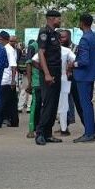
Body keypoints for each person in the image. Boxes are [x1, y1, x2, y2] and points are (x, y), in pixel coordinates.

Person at [35, 10, 65, 145]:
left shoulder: (56, 34)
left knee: (53, 105)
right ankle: (40, 133)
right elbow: (41, 53)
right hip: (49, 72)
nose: (60, 20)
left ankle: (48, 133)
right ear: (52, 19)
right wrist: (46, 73)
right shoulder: (44, 32)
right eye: (59, 18)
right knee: (47, 104)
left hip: (57, 72)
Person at [0, 31, 19, 128]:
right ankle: (14, 121)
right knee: (11, 102)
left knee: (3, 102)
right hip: (8, 79)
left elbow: (13, 66)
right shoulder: (8, 49)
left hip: (7, 80)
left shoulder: (8, 49)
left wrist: (13, 80)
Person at [25, 40, 42, 139]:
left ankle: (40, 128)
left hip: (44, 81)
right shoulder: (33, 46)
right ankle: (31, 129)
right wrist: (30, 83)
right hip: (36, 82)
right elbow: (28, 64)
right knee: (35, 105)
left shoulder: (48, 45)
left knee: (41, 106)